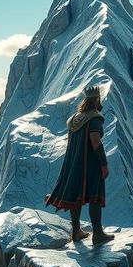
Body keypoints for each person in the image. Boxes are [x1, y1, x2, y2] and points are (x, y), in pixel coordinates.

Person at [45, 85, 115, 245]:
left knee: (75, 194)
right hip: (90, 163)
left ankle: (76, 231)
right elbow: (95, 141)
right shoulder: (95, 118)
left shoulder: (74, 118)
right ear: (97, 99)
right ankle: (97, 233)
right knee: (95, 196)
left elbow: (71, 142)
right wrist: (103, 164)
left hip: (73, 163)